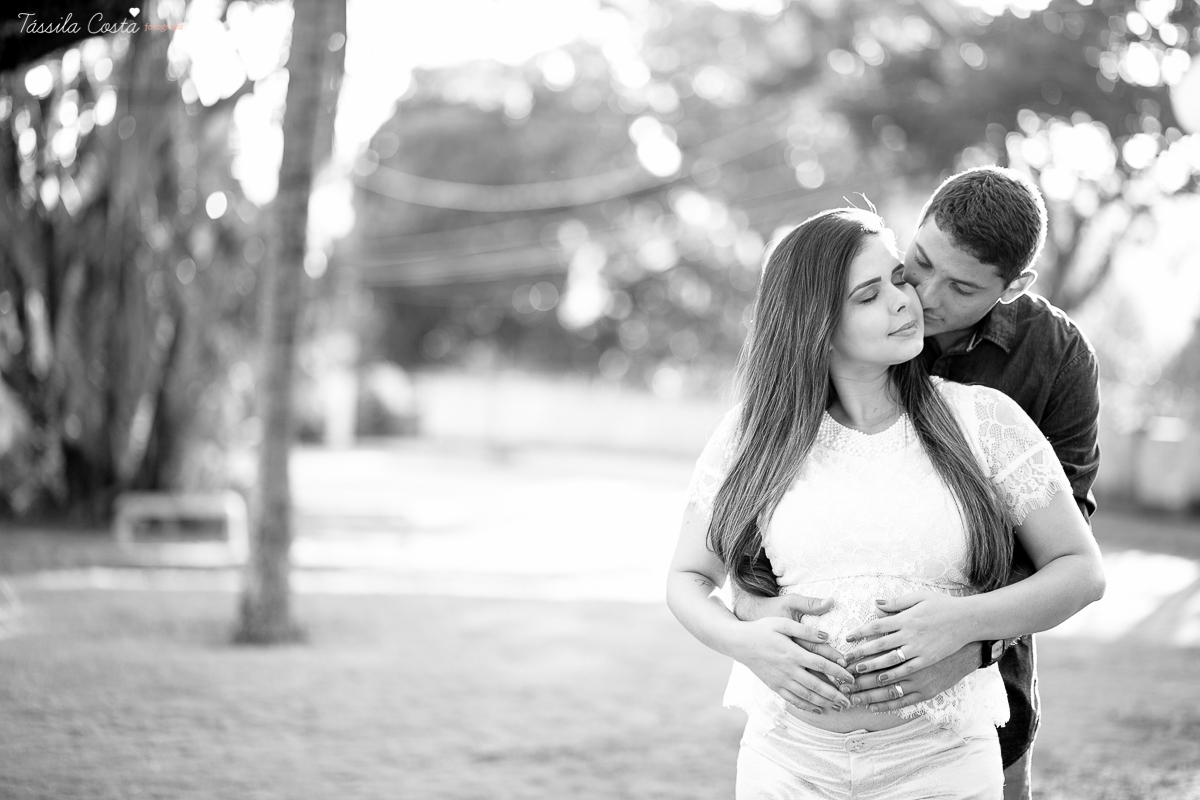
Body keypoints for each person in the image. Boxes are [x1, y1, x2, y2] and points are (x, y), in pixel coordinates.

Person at [665, 205, 1105, 798]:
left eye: (898, 279)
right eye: (870, 294)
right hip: (787, 765)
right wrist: (742, 640)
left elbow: (1081, 572)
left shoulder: (985, 420)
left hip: (941, 763)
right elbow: (688, 578)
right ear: (814, 322)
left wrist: (967, 627)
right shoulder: (754, 434)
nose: (908, 300)